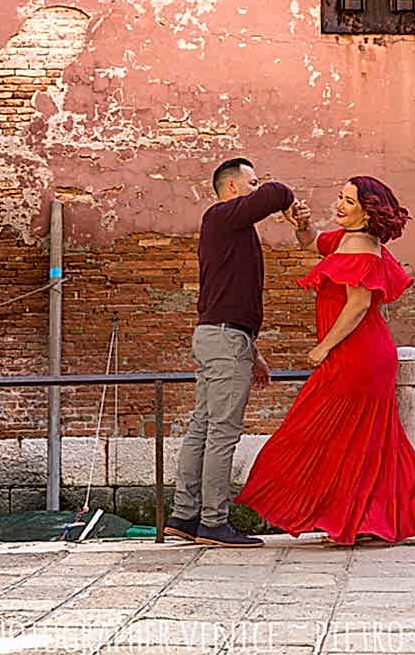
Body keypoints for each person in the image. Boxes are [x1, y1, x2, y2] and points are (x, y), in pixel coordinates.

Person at [234, 176, 415, 545]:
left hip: (358, 356)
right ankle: (360, 520)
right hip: (360, 355)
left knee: (320, 430)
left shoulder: (363, 247)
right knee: (357, 440)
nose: (340, 205)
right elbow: (314, 243)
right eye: (340, 197)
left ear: (367, 211)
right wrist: (301, 226)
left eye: (349, 201)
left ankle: (351, 518)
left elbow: (359, 304)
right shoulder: (348, 239)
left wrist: (324, 347)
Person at [163, 157, 296, 548]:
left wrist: (251, 353)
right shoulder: (221, 217)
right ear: (233, 188)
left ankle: (184, 517)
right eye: (252, 182)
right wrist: (287, 203)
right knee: (220, 432)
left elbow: (231, 298)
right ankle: (213, 522)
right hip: (222, 340)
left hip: (220, 336)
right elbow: (276, 194)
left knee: (203, 428)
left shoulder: (232, 230)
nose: (258, 188)